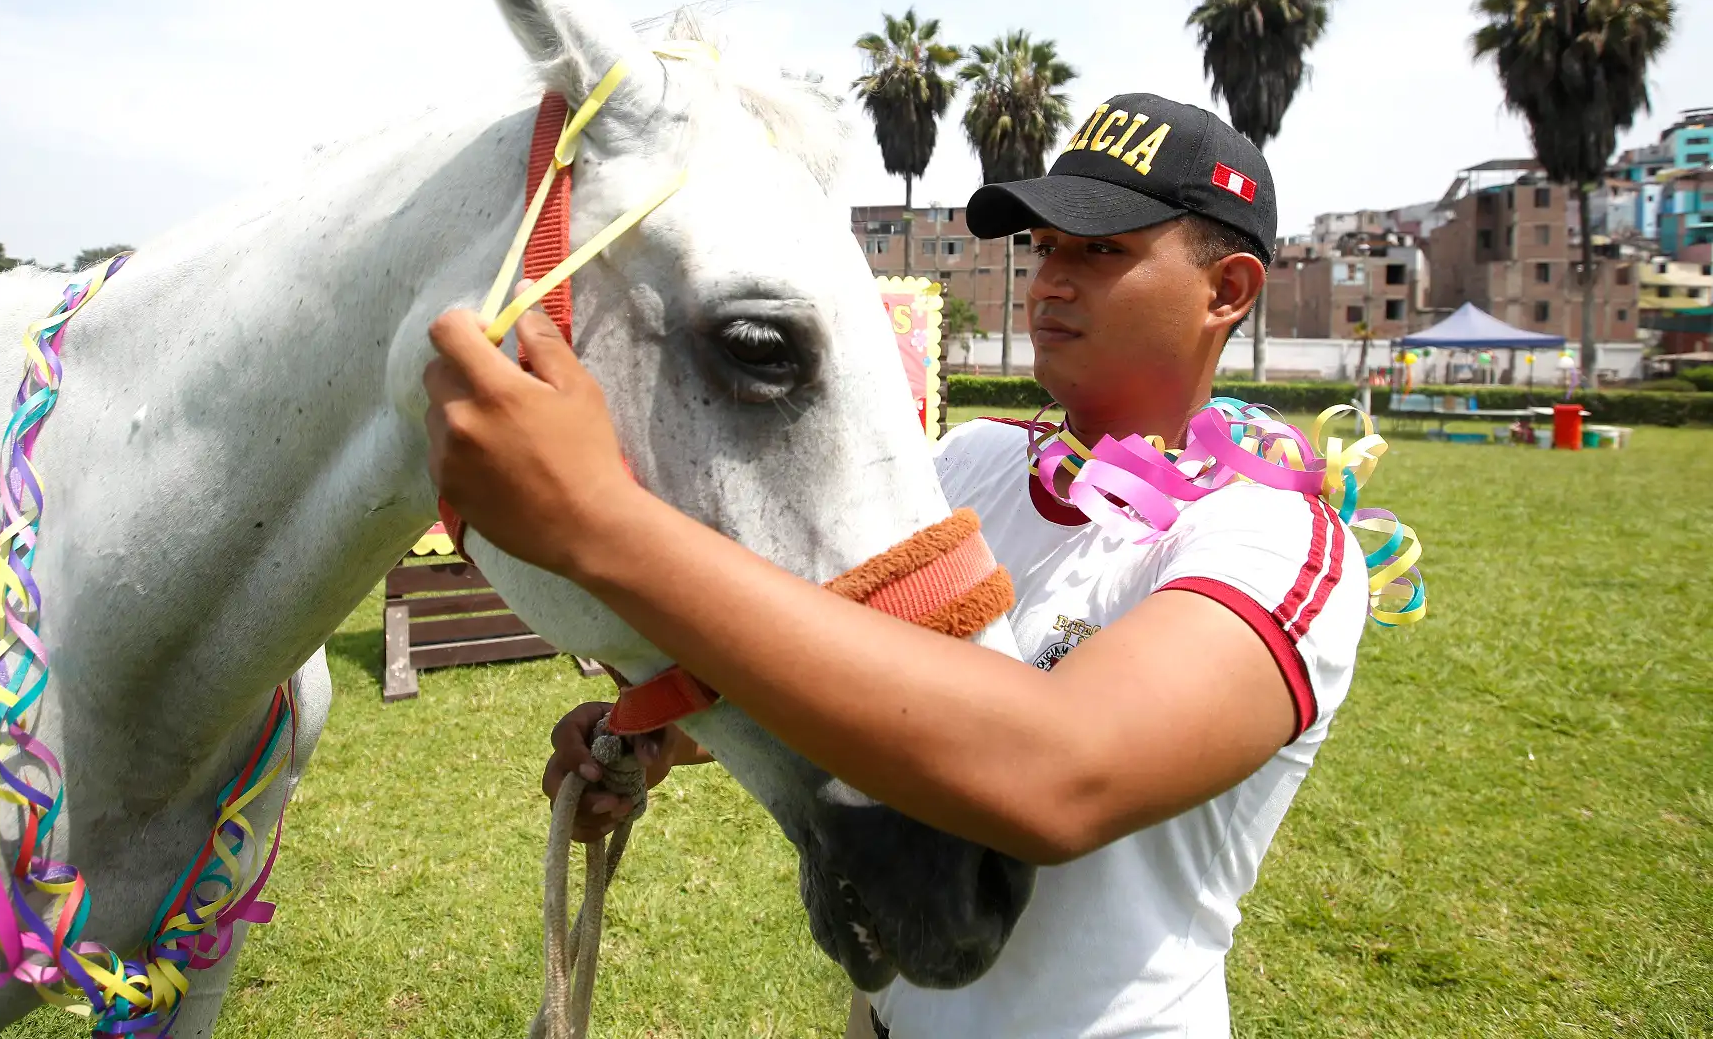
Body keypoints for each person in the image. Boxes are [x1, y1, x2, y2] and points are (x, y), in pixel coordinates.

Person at [423, 92, 1371, 1037]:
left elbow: (1058, 773)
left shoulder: (1280, 544)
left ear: (1229, 291)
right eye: (1044, 249)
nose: (1049, 281)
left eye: (1102, 251)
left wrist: (603, 524)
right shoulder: (975, 462)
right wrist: (672, 734)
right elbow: (842, 660)